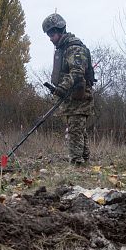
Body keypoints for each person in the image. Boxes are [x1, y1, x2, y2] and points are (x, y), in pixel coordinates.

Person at [42, 13, 94, 166]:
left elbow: (77, 73)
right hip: (72, 99)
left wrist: (61, 88)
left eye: (52, 34)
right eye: (48, 35)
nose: (50, 38)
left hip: (79, 98)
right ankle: (84, 161)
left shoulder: (74, 48)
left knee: (75, 131)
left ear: (60, 30)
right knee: (78, 130)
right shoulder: (64, 48)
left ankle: (77, 163)